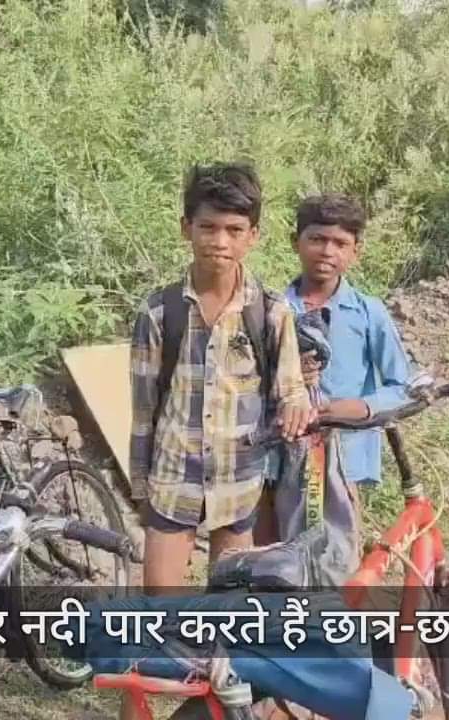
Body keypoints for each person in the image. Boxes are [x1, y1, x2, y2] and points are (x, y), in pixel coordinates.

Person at [128, 161, 314, 596]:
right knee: (160, 609)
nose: (220, 242)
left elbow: (290, 389)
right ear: (186, 228)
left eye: (234, 230)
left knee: (228, 611)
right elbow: (143, 410)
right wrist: (140, 488)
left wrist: (296, 405)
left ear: (253, 236)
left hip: (238, 485)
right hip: (173, 481)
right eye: (208, 227)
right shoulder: (159, 312)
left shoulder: (270, 312)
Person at [253, 192, 416, 550]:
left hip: (343, 459)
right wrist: (286, 376)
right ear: (295, 242)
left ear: (356, 251)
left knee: (338, 554)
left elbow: (404, 387)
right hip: (275, 461)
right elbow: (246, 380)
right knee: (268, 555)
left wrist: (362, 408)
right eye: (317, 239)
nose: (327, 251)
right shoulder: (270, 311)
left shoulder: (369, 313)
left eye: (340, 243)